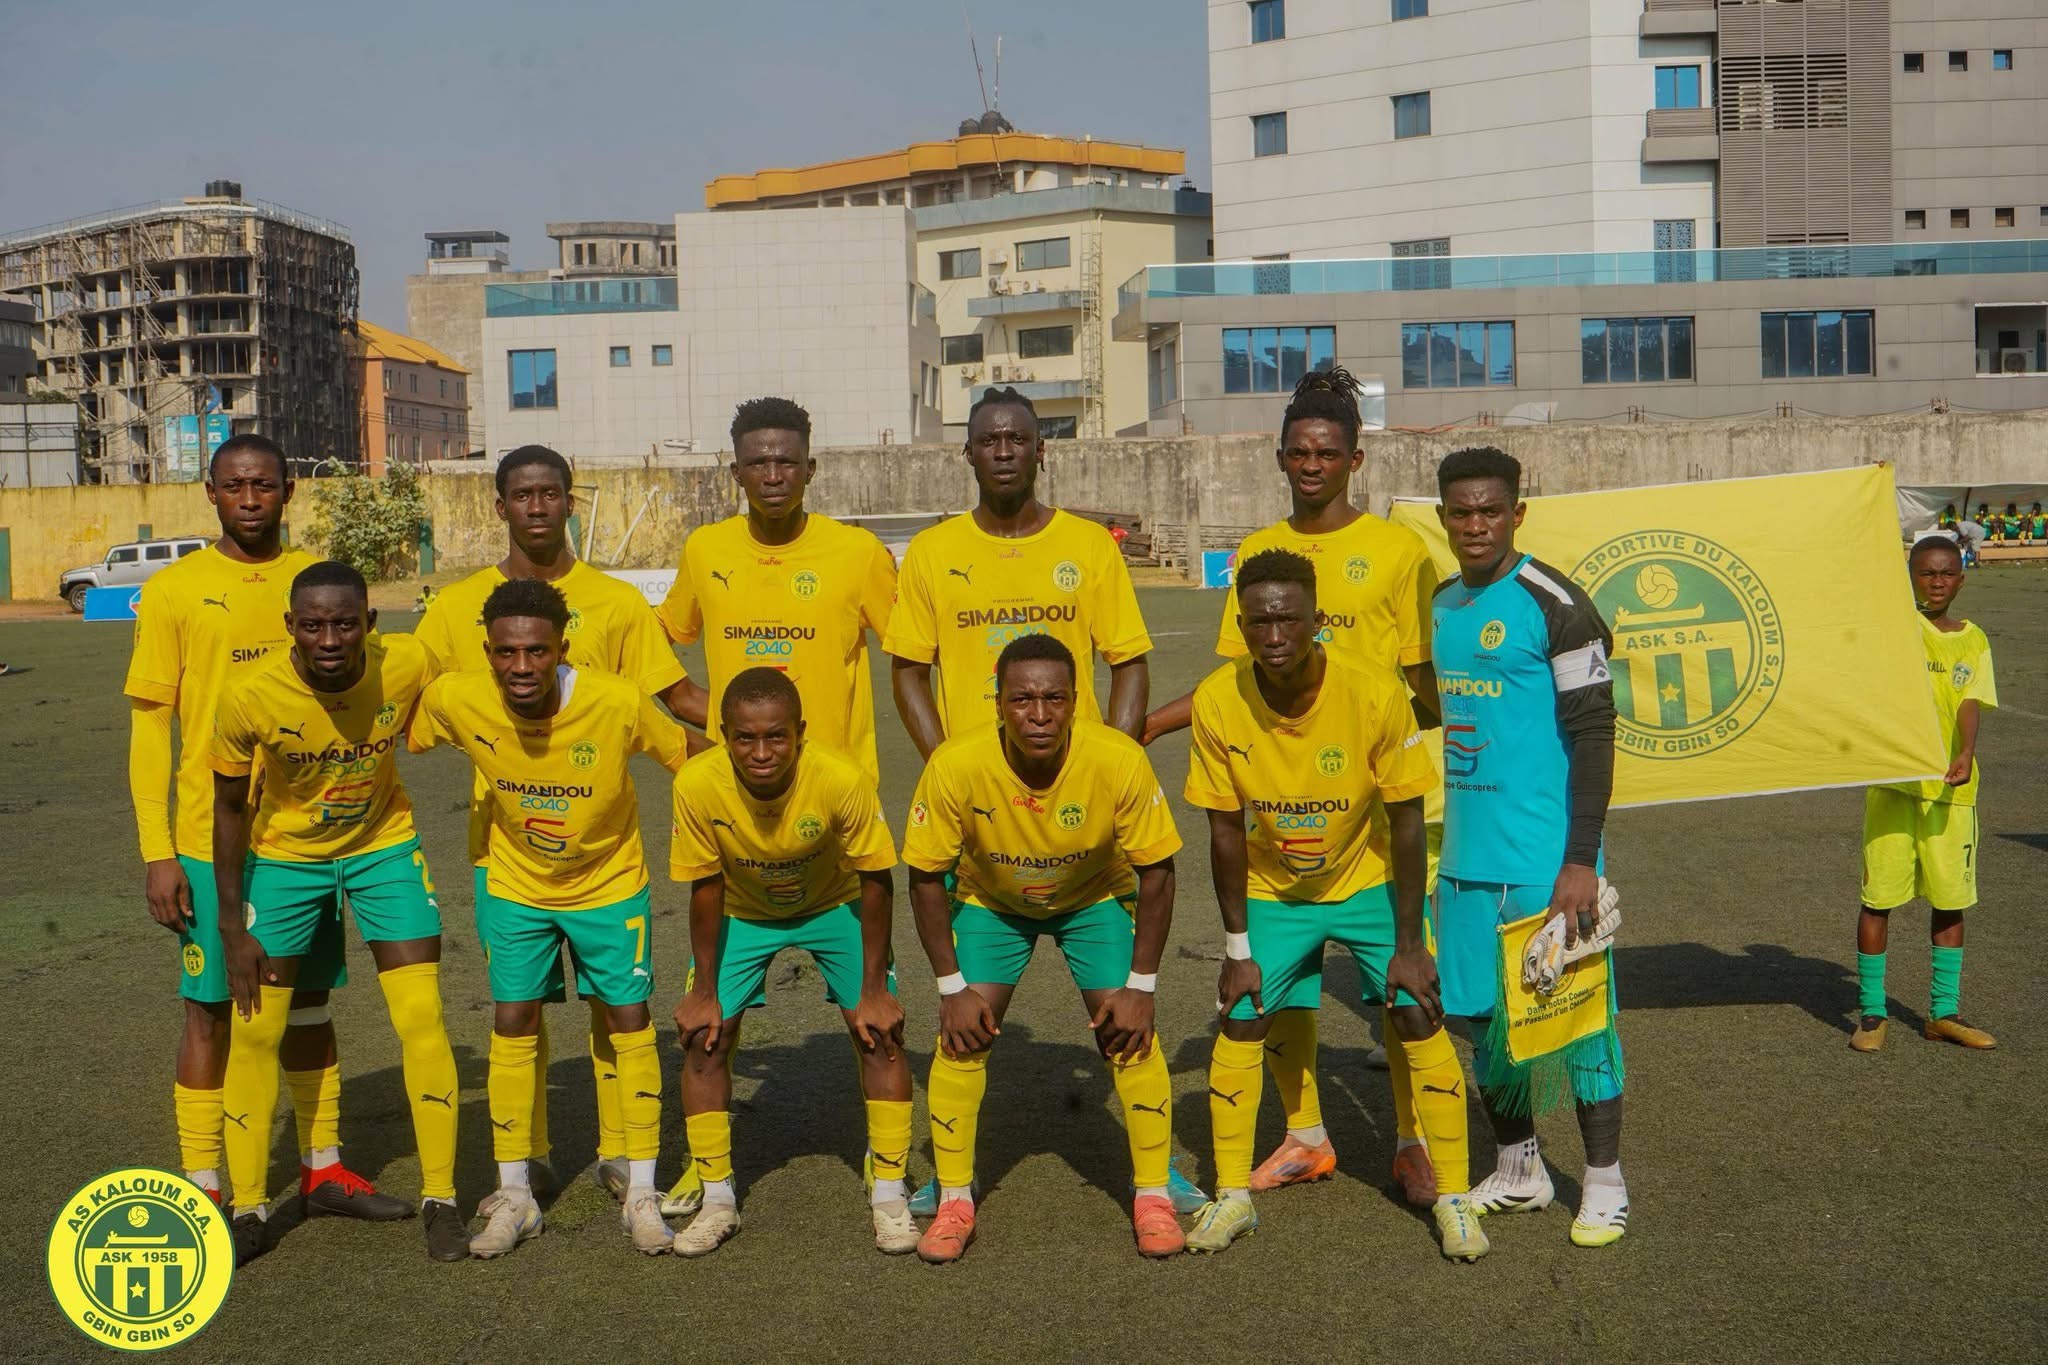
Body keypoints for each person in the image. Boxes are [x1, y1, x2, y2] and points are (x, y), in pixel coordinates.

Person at [1143, 367, 1446, 1209]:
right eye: (1299, 453)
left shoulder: (1399, 553)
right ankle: (1306, 1133)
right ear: (1281, 457)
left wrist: (1457, 733)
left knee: (1400, 984)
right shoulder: (1256, 554)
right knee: (1289, 978)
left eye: (1327, 453)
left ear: (1355, 460)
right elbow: (1234, 683)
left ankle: (1413, 1141)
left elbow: (1423, 681)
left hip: (1378, 805)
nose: (1312, 466)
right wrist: (1154, 724)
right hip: (1283, 800)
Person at [414, 444, 706, 1202]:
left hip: (603, 850)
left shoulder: (616, 603)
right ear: (500, 506)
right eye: (522, 495)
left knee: (615, 1009)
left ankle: (620, 1151)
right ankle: (531, 1156)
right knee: (521, 1009)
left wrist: (767, 736)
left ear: (571, 502)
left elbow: (673, 698)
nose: (537, 507)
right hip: (502, 848)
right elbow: (407, 697)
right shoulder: (455, 607)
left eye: (550, 493)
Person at [124, 435, 403, 1221]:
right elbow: (150, 729)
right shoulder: (175, 590)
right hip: (209, 840)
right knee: (212, 1008)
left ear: (289, 491)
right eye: (235, 485)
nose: (250, 499)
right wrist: (157, 852)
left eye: (265, 485)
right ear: (210, 493)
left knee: (309, 1001)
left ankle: (322, 1168)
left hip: (307, 842)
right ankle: (203, 1183)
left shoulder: (319, 583)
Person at [1181, 549, 1485, 1260]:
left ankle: (1455, 1198)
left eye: (1289, 619)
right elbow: (1223, 831)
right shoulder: (1217, 700)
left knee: (1417, 1009)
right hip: (1274, 888)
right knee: (1243, 1014)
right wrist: (1236, 949)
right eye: (1258, 622)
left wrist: (1410, 944)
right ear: (1240, 624)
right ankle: (1232, 1196)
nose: (1274, 635)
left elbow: (1406, 819)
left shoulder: (1372, 690)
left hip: (1366, 878)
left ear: (1317, 619)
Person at [210, 561, 465, 1264]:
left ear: (369, 624)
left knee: (421, 1016)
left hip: (384, 847)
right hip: (285, 860)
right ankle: (250, 1207)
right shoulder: (249, 696)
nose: (329, 639)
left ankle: (442, 1199)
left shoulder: (405, 662)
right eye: (314, 625)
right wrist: (231, 926)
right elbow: (228, 808)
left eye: (345, 623)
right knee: (256, 1030)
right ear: (289, 626)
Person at [902, 634, 1185, 1263]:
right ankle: (954, 1200)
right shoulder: (955, 763)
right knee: (962, 1036)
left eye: (1054, 699)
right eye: (1022, 699)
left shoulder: (1116, 758)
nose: (1038, 714)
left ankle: (1153, 1195)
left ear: (1076, 701)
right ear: (998, 703)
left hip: (1093, 896)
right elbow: (923, 877)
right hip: (993, 902)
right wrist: (951, 988)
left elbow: (1158, 872)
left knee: (1129, 1031)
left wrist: (1141, 987)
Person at [1429, 446, 1631, 1249]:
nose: (1475, 525)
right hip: (1464, 863)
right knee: (1481, 1020)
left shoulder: (1557, 603)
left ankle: (1606, 1183)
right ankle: (1520, 1170)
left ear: (1517, 512)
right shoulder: (1443, 603)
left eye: (1490, 510)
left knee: (1579, 1026)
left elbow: (1596, 733)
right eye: (1461, 512)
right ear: (1443, 517)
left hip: (1547, 865)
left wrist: (1580, 860)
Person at [667, 668, 916, 1257]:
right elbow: (705, 886)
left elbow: (876, 880)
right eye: (745, 738)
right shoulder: (696, 783)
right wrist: (703, 990)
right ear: (723, 734)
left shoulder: (841, 778)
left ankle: (889, 1193)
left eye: (776, 737)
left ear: (800, 732)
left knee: (880, 1033)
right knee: (705, 1035)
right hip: (742, 908)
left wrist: (874, 988)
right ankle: (717, 1199)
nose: (761, 753)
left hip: (834, 902)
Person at [885, 385, 1152, 756]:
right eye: (989, 441)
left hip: (1074, 768)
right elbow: (908, 671)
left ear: (1040, 451)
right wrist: (943, 766)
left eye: (1018, 439)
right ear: (969, 454)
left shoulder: (1090, 544)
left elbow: (1129, 661)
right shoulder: (930, 551)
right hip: (974, 771)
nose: (1004, 452)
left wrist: (1115, 760)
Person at [657, 396, 896, 784]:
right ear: (736, 472)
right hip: (737, 777)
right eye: (757, 464)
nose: (772, 476)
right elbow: (656, 632)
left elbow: (912, 652)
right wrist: (679, 698)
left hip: (835, 780)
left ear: (809, 470)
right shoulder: (704, 549)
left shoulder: (859, 552)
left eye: (786, 462)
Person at [1853, 536, 1998, 1052]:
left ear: (1961, 578)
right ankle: (1872, 1013)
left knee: (1950, 900)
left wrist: (1967, 751)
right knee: (1878, 899)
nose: (1937, 582)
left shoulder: (1973, 639)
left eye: (1947, 573)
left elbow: (1969, 700)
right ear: (1910, 577)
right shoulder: (1894, 630)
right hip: (1893, 787)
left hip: (1950, 790)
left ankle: (1943, 1012)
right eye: (1926, 573)